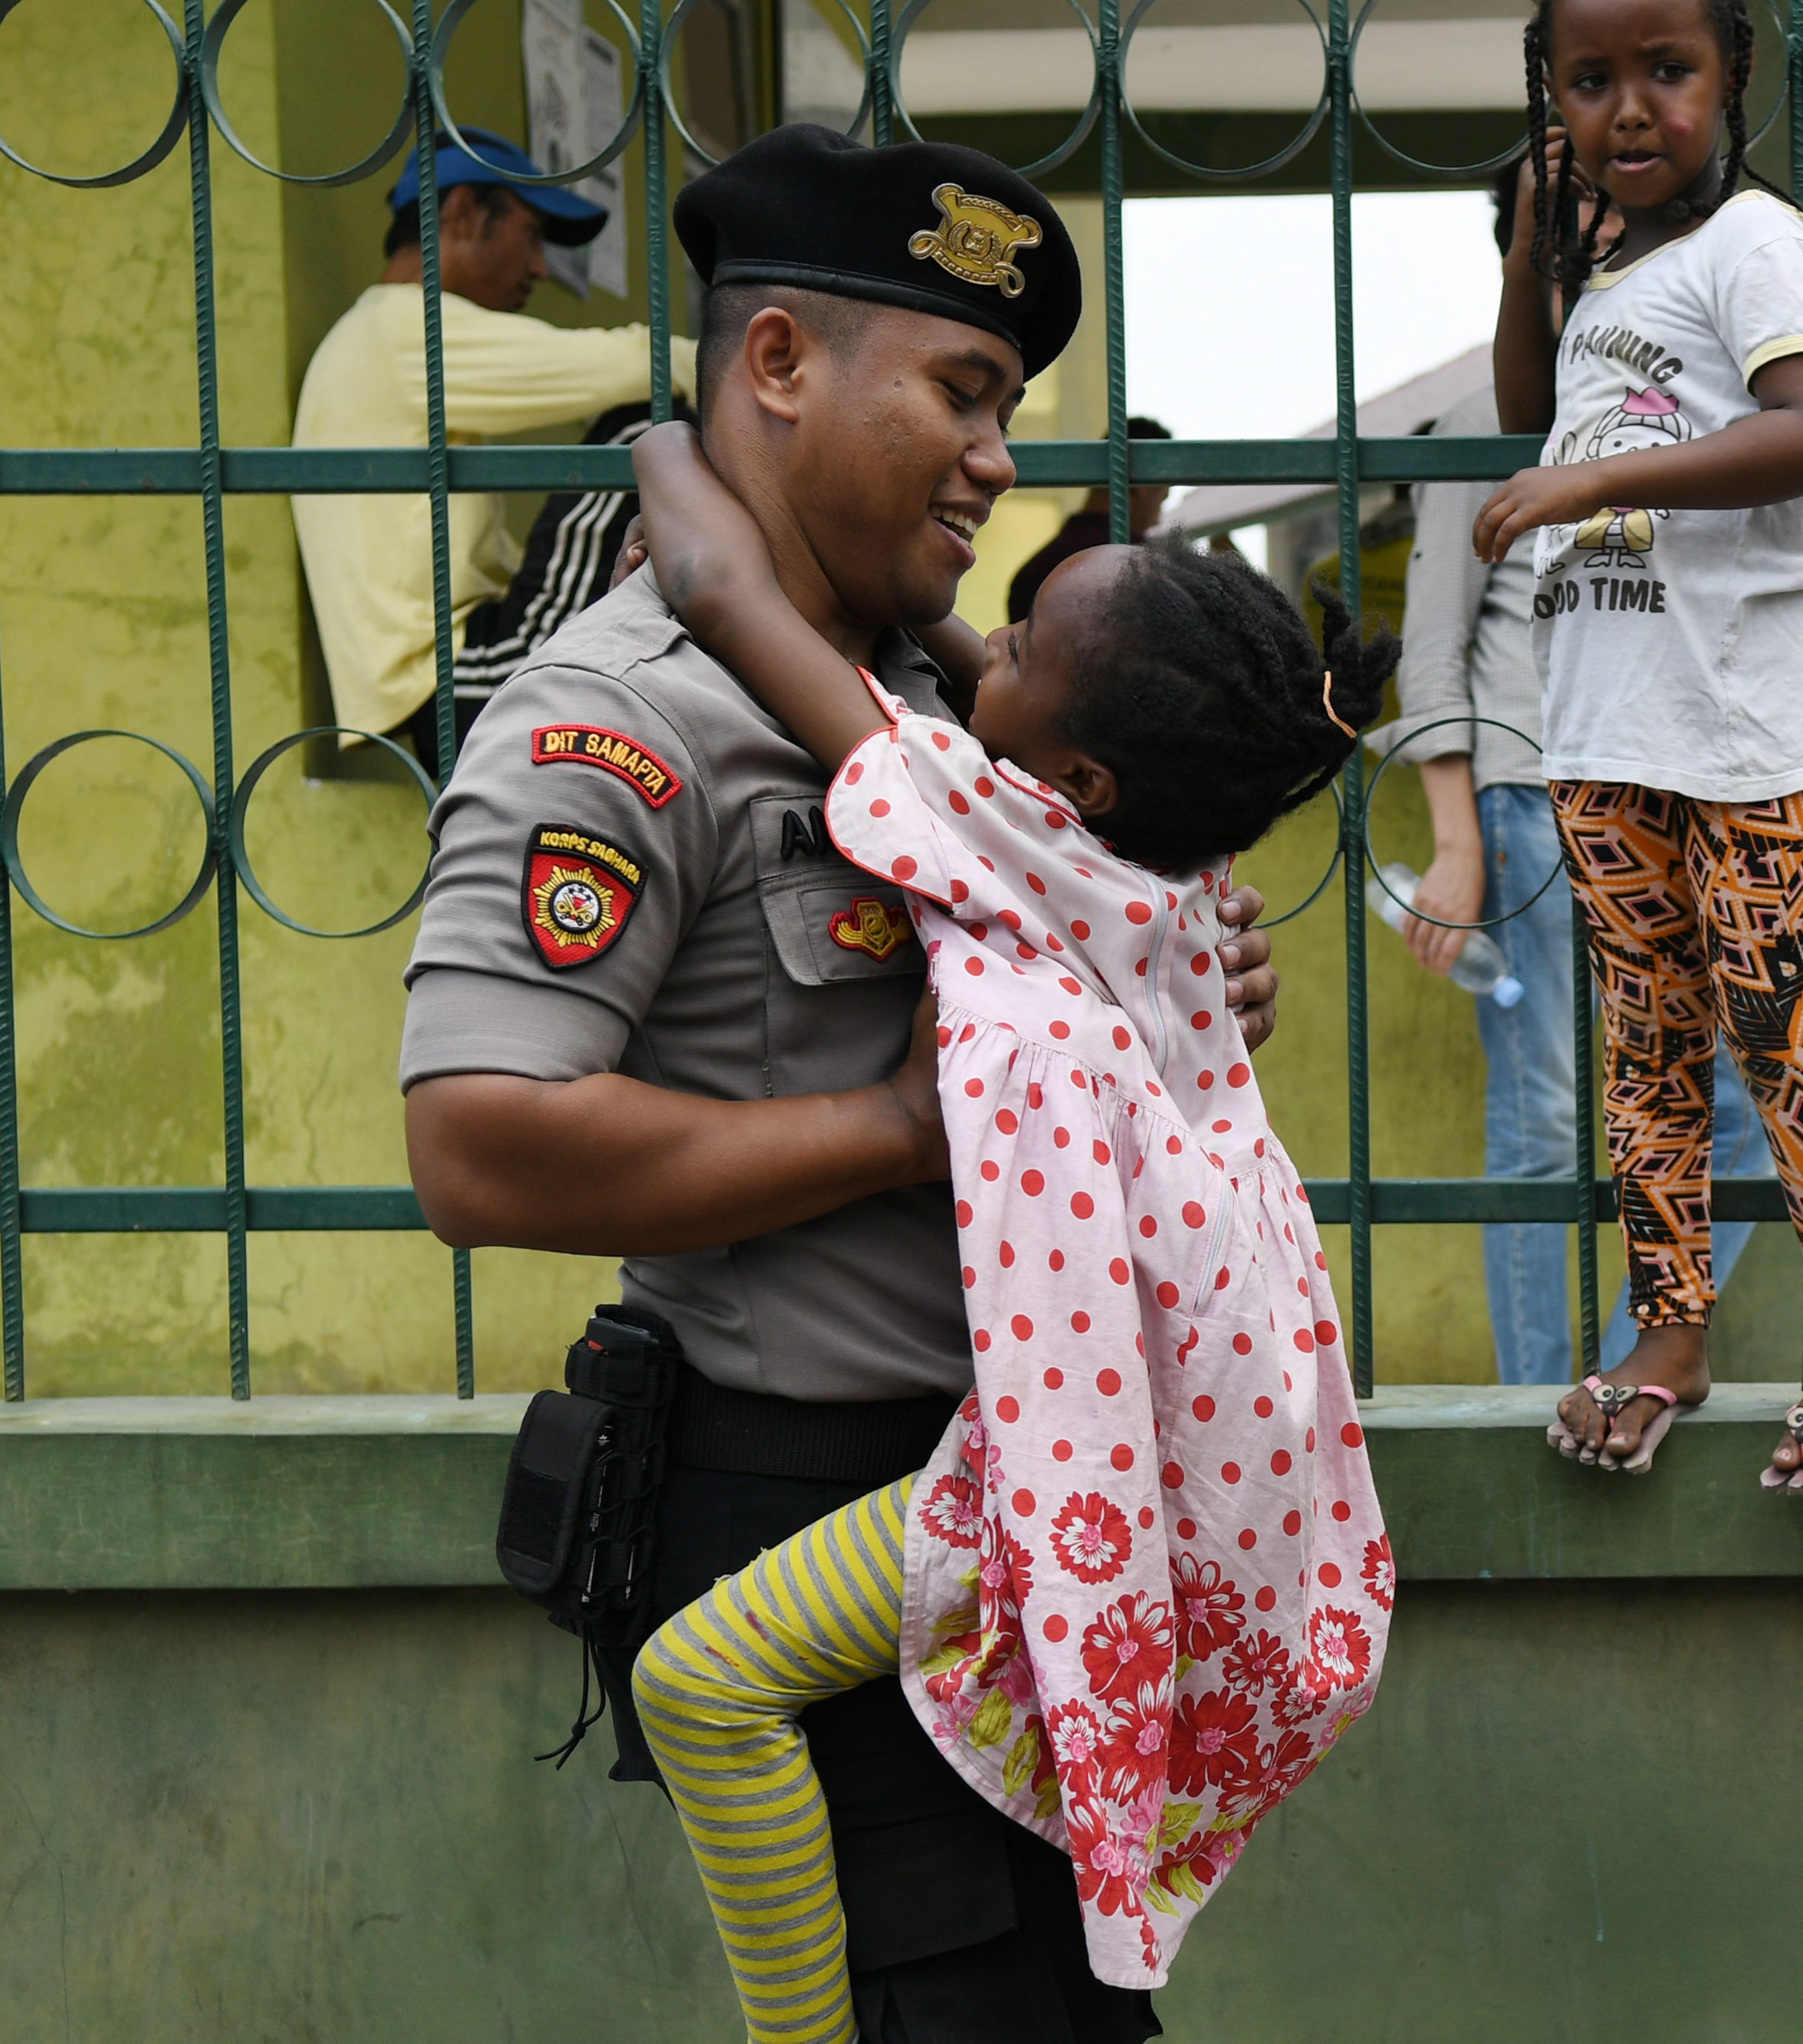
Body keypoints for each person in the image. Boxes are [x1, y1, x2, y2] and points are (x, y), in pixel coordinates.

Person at [400, 124, 1275, 2044]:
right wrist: (895, 1126)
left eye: (1011, 400)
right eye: (962, 390)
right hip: (816, 1551)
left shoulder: (959, 699)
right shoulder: (621, 720)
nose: (1000, 453)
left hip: (1022, 1534)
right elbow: (476, 1137)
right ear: (779, 363)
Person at [624, 421, 1391, 2024]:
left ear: (1074, 771)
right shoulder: (1144, 861)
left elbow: (704, 574)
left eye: (1021, 637)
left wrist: (667, 424)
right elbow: (1014, 685)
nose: (979, 636)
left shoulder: (996, 836)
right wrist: (1028, 648)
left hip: (1096, 1469)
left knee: (696, 1681)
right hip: (1223, 1457)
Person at [1485, 0, 1803, 1493]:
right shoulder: (1612, 273)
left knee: (1770, 1025)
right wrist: (1531, 240)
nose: (1625, 110)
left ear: (1730, 76)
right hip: (1609, 726)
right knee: (1645, 1044)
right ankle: (1669, 1326)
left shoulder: (1758, 244)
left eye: (1662, 72)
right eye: (1585, 81)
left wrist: (1584, 482)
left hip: (1756, 732)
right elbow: (1527, 406)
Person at [1393, 162, 1768, 1387]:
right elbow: (1434, 642)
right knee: (1548, 1116)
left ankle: (1623, 1370)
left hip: (1675, 791)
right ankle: (1535, 1395)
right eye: (1574, 228)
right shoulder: (1479, 432)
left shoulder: (1680, 419)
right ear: (1527, 256)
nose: (1608, 247)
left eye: (1627, 226)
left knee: (1745, 1120)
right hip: (1533, 799)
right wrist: (1456, 837)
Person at [294, 127, 695, 771]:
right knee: (644, 426)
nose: (538, 268)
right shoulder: (403, 332)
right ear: (459, 215)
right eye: (531, 237)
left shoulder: (385, 336)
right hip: (453, 677)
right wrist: (764, 380)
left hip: (441, 680)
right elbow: (641, 362)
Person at [1007, 418, 1173, 621]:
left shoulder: (1033, 572)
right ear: (1142, 487)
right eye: (1161, 499)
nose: (1157, 521)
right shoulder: (1148, 570)